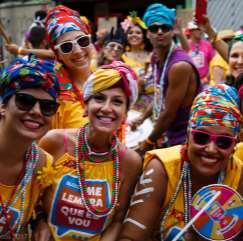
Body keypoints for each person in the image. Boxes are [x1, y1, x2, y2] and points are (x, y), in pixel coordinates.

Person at [118, 84, 243, 241]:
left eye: (223, 142)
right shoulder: (162, 169)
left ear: (234, 145)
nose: (211, 149)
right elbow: (130, 237)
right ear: (188, 135)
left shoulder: (239, 176)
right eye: (201, 137)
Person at [36, 61, 142, 241]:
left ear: (125, 113)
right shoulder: (55, 142)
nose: (107, 108)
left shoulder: (130, 161)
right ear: (85, 106)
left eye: (117, 102)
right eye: (99, 98)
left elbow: (118, 219)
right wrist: (39, 223)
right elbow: (31, 196)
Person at [0, 57, 60, 240]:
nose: (36, 111)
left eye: (47, 107)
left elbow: (36, 206)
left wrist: (40, 221)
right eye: (25, 101)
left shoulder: (42, 164)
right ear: (3, 106)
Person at [131, 3, 200, 153]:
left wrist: (148, 141)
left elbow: (169, 114)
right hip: (171, 133)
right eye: (154, 28)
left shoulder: (179, 66)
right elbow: (159, 93)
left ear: (172, 31)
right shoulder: (156, 58)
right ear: (148, 33)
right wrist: (142, 117)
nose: (160, 32)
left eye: (165, 27)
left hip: (187, 137)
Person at [120, 12, 153, 112]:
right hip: (131, 104)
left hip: (152, 103)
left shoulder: (152, 55)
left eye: (138, 33)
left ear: (144, 36)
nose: (134, 35)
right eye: (130, 32)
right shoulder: (122, 57)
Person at [187, 21, 215, 86]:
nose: (200, 31)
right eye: (198, 29)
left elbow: (212, 64)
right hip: (189, 83)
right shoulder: (185, 46)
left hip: (205, 83)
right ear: (191, 31)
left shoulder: (207, 45)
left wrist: (205, 79)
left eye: (200, 29)